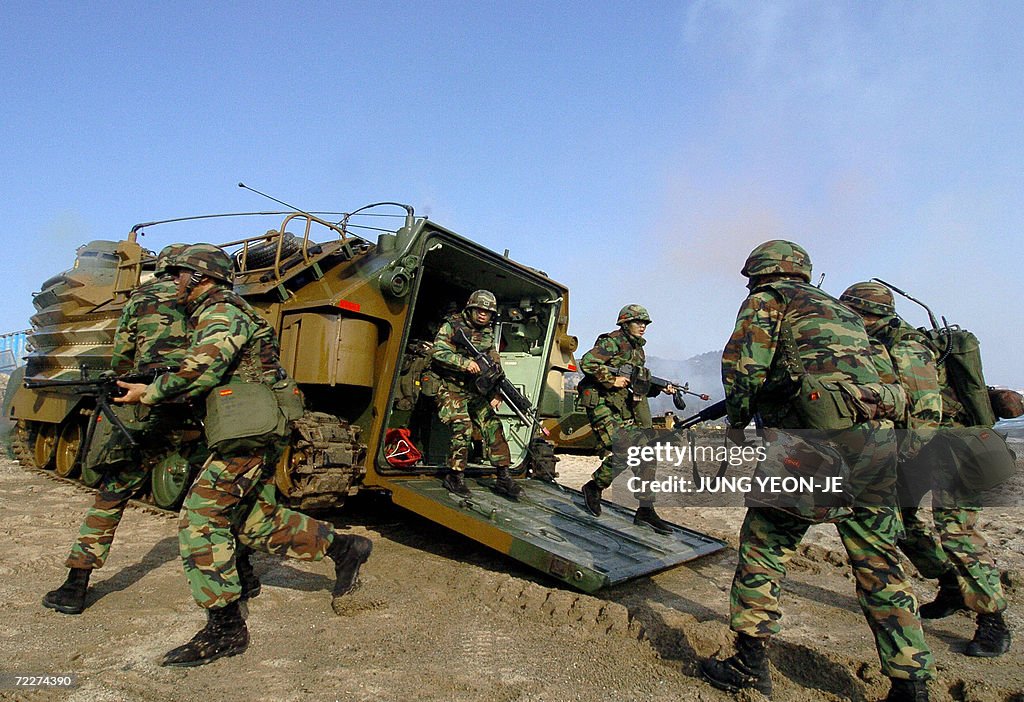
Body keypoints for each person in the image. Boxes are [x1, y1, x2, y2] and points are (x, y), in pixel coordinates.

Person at [115, 243, 372, 667]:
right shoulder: (217, 311)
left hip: (250, 430)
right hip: (250, 425)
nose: (175, 282)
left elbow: (203, 369)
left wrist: (151, 391)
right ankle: (344, 549)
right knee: (250, 519)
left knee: (200, 517)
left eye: (180, 275)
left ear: (200, 278)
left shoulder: (222, 310)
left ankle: (226, 629)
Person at [701, 242, 935, 702]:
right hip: (874, 445)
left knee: (764, 547)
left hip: (809, 451)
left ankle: (749, 665)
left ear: (758, 274)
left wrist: (736, 424)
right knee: (879, 561)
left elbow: (744, 369)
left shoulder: (768, 301)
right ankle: (911, 682)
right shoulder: (841, 311)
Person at [40, 244, 267, 614]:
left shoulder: (141, 299)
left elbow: (122, 359)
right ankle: (244, 570)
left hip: (155, 407)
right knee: (229, 494)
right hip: (207, 408)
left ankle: (75, 585)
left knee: (114, 491)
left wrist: (131, 386)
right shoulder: (214, 300)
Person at [842, 282, 1012, 658]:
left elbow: (924, 414)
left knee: (956, 532)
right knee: (900, 523)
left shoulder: (907, 347)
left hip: (954, 449)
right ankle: (952, 587)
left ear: (866, 315)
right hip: (920, 448)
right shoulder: (875, 345)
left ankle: (992, 619)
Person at [577, 305, 676, 534]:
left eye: (645, 323)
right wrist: (611, 380)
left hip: (621, 405)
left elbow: (635, 383)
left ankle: (646, 509)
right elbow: (588, 362)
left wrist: (660, 389)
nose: (642, 326)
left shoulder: (638, 352)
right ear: (625, 323)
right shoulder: (612, 342)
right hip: (601, 402)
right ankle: (594, 486)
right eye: (638, 322)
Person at [429, 290, 522, 500]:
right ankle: (455, 476)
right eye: (479, 310)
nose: (483, 315)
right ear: (470, 309)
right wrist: (464, 363)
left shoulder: (488, 333)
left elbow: (493, 362)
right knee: (463, 427)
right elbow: (437, 352)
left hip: (475, 392)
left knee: (493, 426)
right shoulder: (452, 326)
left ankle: (503, 476)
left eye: (487, 312)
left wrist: (496, 392)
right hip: (451, 388)